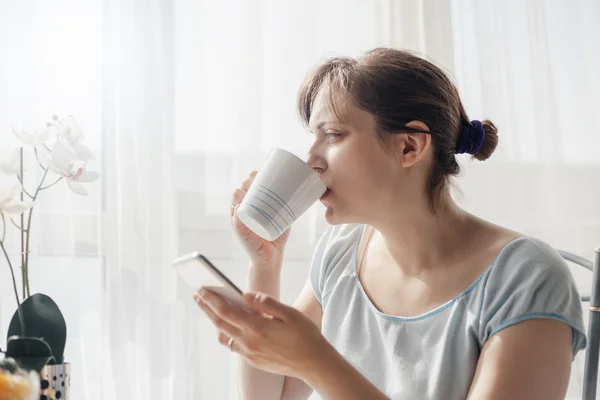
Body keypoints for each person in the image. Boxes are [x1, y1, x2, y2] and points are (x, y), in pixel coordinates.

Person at [192, 47, 586, 400]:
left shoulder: (526, 278)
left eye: (332, 134)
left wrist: (317, 361)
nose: (311, 158)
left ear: (409, 146)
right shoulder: (341, 254)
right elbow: (269, 396)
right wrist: (264, 263)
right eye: (312, 137)